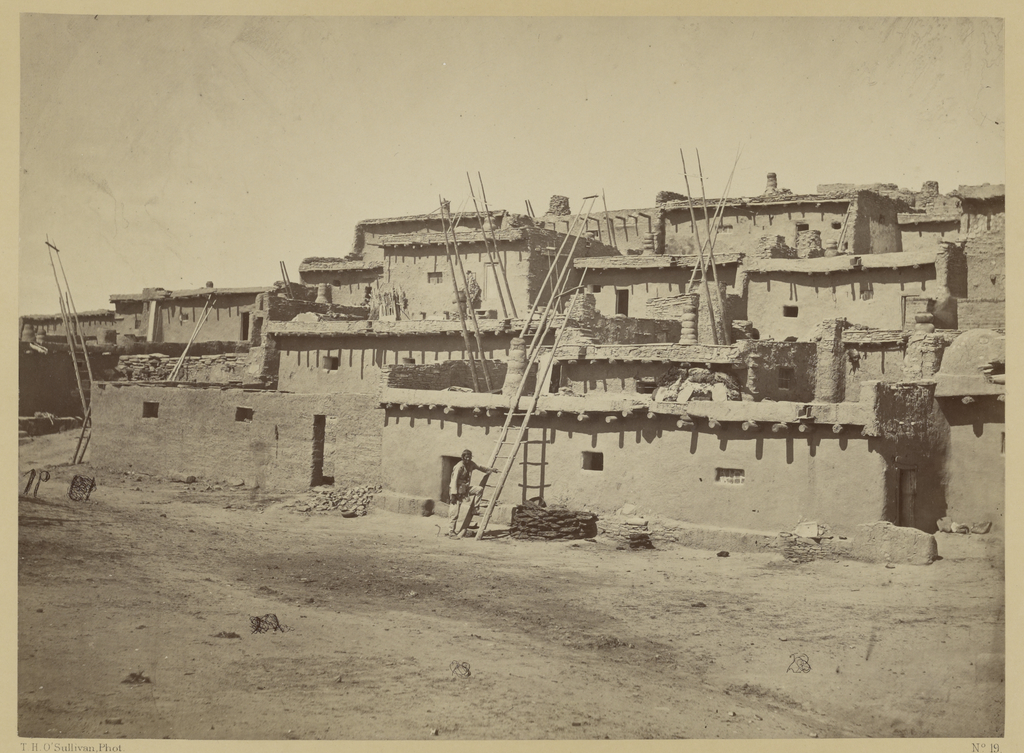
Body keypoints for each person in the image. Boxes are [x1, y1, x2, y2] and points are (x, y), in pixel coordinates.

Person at [447, 449, 497, 538]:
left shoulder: (471, 464)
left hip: (465, 489)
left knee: (479, 489)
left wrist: (491, 470)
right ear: (462, 457)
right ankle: (451, 532)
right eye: (466, 457)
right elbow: (453, 481)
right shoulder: (459, 467)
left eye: (469, 457)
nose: (468, 459)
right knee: (454, 512)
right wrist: (453, 494)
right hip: (456, 492)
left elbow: (480, 467)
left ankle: (475, 508)